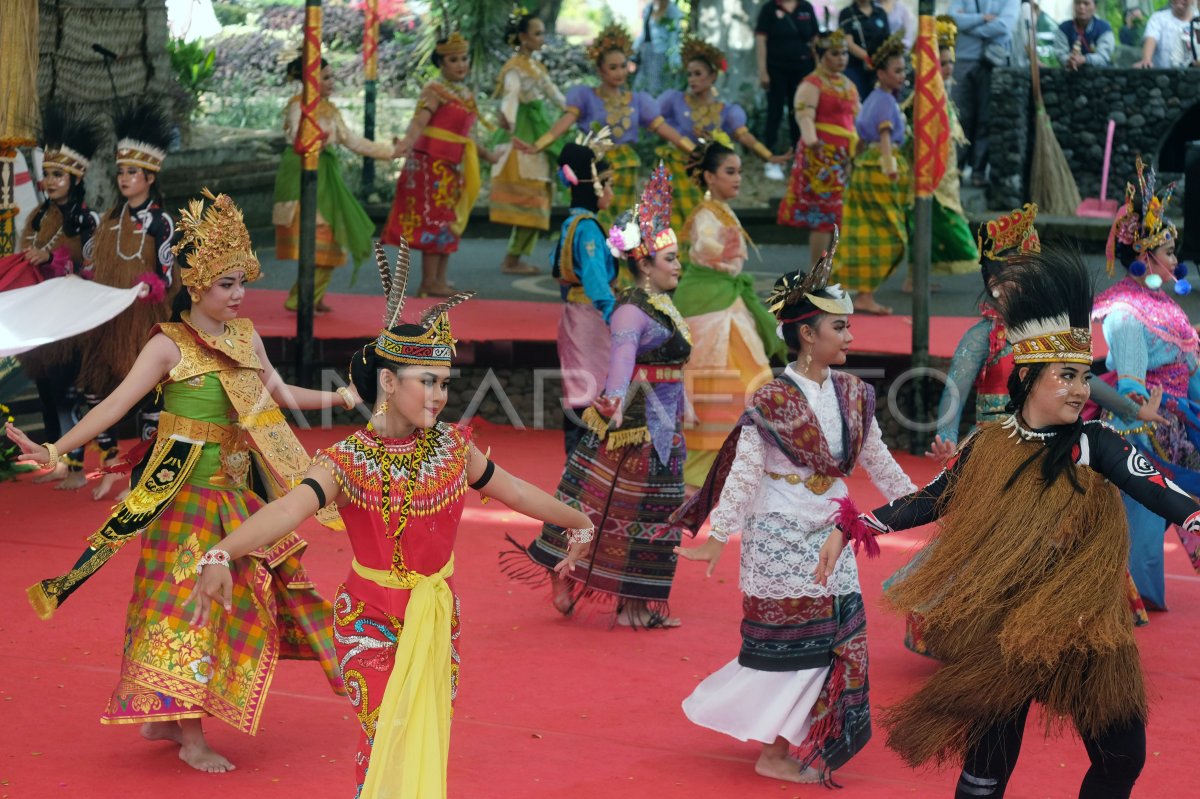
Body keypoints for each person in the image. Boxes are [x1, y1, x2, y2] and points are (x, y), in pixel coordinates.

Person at [187, 241, 593, 796]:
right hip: (369, 619)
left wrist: (578, 519)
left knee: (427, 735)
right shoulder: (348, 459)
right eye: (426, 381)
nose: (439, 395)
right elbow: (288, 508)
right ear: (388, 381)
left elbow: (516, 491)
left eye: (445, 383)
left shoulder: (453, 448)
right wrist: (220, 552)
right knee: (386, 732)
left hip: (434, 617)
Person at [817, 246, 1200, 799]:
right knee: (985, 774)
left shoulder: (1095, 443)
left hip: (1086, 625)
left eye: (1084, 376)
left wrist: (1194, 518)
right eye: (1066, 376)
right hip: (1008, 625)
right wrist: (854, 526)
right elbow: (933, 499)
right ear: (1029, 377)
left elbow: (1159, 490)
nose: (1079, 389)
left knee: (1123, 757)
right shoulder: (990, 447)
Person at [10, 190, 351, 774]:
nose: (238, 294)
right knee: (184, 608)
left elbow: (277, 395)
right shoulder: (169, 344)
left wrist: (341, 397)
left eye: (241, 281)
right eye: (226, 284)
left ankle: (165, 716)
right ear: (196, 285)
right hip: (183, 497)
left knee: (233, 601)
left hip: (236, 495)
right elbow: (114, 405)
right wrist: (55, 447)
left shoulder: (245, 337)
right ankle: (189, 735)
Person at [673, 245, 916, 785]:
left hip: (833, 528)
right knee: (802, 647)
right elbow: (743, 469)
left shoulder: (854, 393)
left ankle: (785, 737)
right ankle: (774, 750)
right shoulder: (772, 398)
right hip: (779, 529)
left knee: (838, 638)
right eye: (840, 327)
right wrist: (720, 533)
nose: (850, 337)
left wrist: (926, 502)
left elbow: (881, 463)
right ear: (808, 334)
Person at [908, 206, 1159, 657]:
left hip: (1052, 452)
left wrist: (1131, 405)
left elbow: (1090, 382)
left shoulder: (1050, 335)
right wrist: (946, 432)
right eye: (1011, 278)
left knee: (1062, 537)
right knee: (992, 547)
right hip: (998, 459)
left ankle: (1058, 628)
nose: (1018, 287)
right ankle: (983, 636)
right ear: (994, 283)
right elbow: (955, 390)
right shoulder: (983, 338)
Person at [502, 164, 693, 628]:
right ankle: (559, 566)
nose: (678, 265)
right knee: (603, 501)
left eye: (677, 258)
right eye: (670, 259)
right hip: (632, 421)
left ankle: (634, 604)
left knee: (655, 508)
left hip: (665, 419)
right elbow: (622, 361)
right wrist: (611, 400)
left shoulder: (663, 304)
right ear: (644, 264)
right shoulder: (630, 309)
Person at [1093, 155, 1200, 610]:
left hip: (1176, 421)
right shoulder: (1125, 314)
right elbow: (1133, 389)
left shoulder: (1164, 307)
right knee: (1147, 513)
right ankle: (1131, 593)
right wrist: (1145, 422)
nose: (1176, 260)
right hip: (1142, 428)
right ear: (1145, 255)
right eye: (1170, 251)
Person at [77, 100, 179, 501]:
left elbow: (169, 275)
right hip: (110, 321)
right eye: (120, 171)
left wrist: (151, 285)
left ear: (150, 176)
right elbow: (92, 262)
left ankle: (143, 476)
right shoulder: (110, 219)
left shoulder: (161, 221)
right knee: (95, 393)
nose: (124, 178)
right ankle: (107, 468)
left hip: (144, 321)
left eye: (132, 172)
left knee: (149, 400)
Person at [675, 141, 785, 490]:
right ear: (709, 176)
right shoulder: (707, 213)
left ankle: (727, 469)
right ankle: (701, 476)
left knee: (747, 376)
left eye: (739, 171)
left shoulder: (719, 209)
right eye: (730, 171)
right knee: (730, 379)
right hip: (712, 304)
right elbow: (704, 247)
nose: (738, 178)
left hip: (724, 300)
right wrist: (723, 249)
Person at [8, 103, 101, 491]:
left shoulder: (87, 221)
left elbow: (94, 270)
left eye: (57, 174)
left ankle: (77, 464)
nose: (49, 180)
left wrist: (56, 258)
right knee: (46, 389)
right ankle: (52, 459)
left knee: (67, 390)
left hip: (73, 319)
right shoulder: (34, 219)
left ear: (75, 177)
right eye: (46, 173)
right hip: (40, 317)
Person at [525, 23, 691, 229]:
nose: (620, 72)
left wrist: (695, 150)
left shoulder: (638, 101)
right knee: (594, 218)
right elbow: (563, 124)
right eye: (613, 67)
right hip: (594, 167)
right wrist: (537, 145)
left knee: (623, 221)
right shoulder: (585, 97)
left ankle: (619, 261)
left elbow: (665, 129)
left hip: (625, 166)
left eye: (623, 66)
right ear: (600, 70)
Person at [274, 57, 400, 313]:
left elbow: (352, 140)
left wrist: (393, 152)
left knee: (330, 242)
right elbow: (303, 140)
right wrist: (318, 139)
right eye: (326, 77)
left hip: (326, 177)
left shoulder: (329, 109)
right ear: (309, 79)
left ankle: (308, 298)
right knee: (315, 242)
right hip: (301, 176)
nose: (332, 82)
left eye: (332, 77)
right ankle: (302, 301)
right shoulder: (298, 107)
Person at [385, 32, 496, 297]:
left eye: (463, 58)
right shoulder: (434, 90)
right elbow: (419, 122)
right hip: (430, 164)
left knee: (449, 219)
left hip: (453, 165)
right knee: (434, 219)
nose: (461, 64)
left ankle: (439, 280)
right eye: (453, 60)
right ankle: (429, 282)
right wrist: (406, 143)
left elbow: (464, 136)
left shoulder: (465, 94)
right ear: (441, 64)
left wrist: (487, 155)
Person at [656, 36, 789, 232]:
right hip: (676, 170)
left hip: (707, 174)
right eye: (690, 74)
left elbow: (743, 136)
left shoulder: (725, 111)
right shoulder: (674, 100)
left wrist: (768, 156)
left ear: (712, 77)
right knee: (676, 222)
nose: (692, 79)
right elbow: (653, 122)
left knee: (703, 221)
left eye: (698, 73)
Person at [898, 16, 978, 290]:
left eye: (950, 62)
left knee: (931, 226)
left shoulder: (941, 91)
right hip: (927, 170)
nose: (947, 68)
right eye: (941, 63)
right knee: (924, 222)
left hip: (945, 170)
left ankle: (922, 276)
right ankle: (913, 278)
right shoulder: (921, 96)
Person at [552, 134, 618, 454]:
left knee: (580, 386)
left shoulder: (573, 222)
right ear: (594, 185)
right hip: (590, 319)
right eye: (608, 184)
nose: (611, 192)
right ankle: (584, 468)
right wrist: (613, 314)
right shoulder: (589, 228)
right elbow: (594, 280)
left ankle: (577, 468)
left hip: (574, 316)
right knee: (591, 390)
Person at [489, 11, 567, 277]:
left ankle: (515, 257)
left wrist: (575, 112)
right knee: (531, 199)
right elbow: (510, 98)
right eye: (537, 33)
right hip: (524, 134)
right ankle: (512, 259)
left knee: (538, 198)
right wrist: (509, 125)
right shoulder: (514, 68)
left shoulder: (535, 67)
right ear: (523, 37)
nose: (542, 38)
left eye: (542, 33)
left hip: (539, 131)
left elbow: (554, 94)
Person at [777, 28, 861, 269]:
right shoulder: (811, 83)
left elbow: (858, 117)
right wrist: (811, 138)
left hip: (846, 157)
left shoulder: (848, 84)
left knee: (840, 216)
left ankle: (833, 267)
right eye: (835, 53)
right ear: (820, 55)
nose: (841, 58)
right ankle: (817, 268)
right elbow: (804, 114)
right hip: (821, 156)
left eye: (844, 53)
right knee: (823, 217)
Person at [838, 34, 908, 316]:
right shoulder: (884, 102)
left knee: (864, 232)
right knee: (890, 236)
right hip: (879, 168)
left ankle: (859, 291)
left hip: (867, 165)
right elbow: (885, 135)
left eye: (904, 70)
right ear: (881, 73)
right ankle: (863, 293)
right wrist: (890, 168)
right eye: (898, 71)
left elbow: (860, 139)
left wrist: (853, 163)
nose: (903, 76)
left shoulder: (875, 98)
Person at [949, 0, 1020, 185]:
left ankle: (978, 171)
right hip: (963, 60)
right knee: (959, 116)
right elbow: (953, 20)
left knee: (986, 118)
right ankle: (956, 167)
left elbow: (1004, 26)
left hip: (993, 61)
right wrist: (982, 19)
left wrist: (969, 27)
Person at [755, 0, 821, 181]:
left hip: (803, 69)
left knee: (799, 114)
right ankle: (772, 159)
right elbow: (761, 40)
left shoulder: (806, 8)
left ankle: (800, 158)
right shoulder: (769, 9)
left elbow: (815, 40)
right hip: (776, 69)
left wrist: (818, 71)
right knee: (774, 112)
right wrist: (763, 71)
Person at [839, 0, 892, 101]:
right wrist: (867, 58)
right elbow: (849, 43)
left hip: (878, 67)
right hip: (855, 67)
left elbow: (887, 40)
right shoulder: (847, 13)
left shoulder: (880, 12)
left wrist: (878, 60)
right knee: (857, 100)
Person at [633, 0, 686, 96]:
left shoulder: (672, 10)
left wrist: (674, 61)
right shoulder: (649, 8)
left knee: (656, 87)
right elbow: (644, 33)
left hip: (660, 54)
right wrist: (632, 50)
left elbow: (673, 38)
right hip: (646, 53)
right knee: (640, 86)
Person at [1135, 0, 1199, 68]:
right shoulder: (1158, 18)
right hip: (1163, 74)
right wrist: (1146, 59)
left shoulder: (1198, 19)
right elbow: (1151, 38)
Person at [1056, 0, 1115, 68]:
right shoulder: (1064, 28)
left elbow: (1103, 56)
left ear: (1095, 7)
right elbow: (1061, 54)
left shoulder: (1104, 28)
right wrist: (1070, 60)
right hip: (1071, 75)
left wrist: (1085, 59)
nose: (1081, 7)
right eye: (1078, 3)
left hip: (1099, 75)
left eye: (1086, 4)